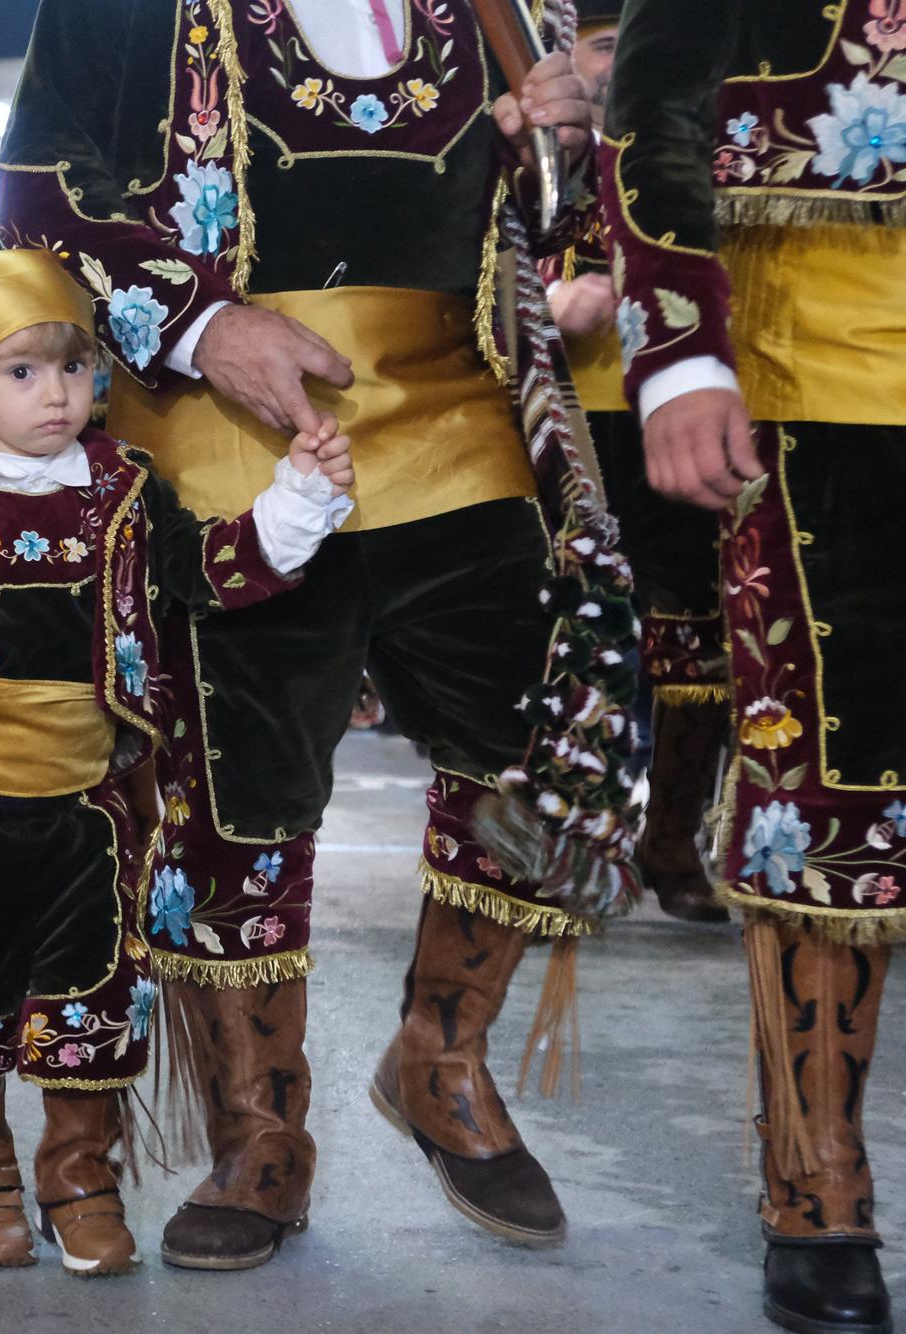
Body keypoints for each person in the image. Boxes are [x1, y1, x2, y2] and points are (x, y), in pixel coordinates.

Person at [1, 0, 609, 1269]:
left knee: (543, 744)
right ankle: (258, 1133)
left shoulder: (509, 8)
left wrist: (558, 147)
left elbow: (563, 224)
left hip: (457, 414)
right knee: (235, 794)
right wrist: (202, 324)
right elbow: (36, 185)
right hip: (225, 426)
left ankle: (439, 1054)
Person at [0, 248, 352, 1276]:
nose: (54, 394)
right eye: (19, 372)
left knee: (92, 996)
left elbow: (206, 573)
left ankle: (79, 1171)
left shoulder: (123, 490)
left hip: (91, 812)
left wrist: (294, 499)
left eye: (72, 368)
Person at [603, 2, 906, 1329]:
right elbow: (655, 104)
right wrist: (676, 352)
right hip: (824, 377)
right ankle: (817, 1174)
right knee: (825, 791)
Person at [546, 0, 728, 925]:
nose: (625, 64)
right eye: (609, 46)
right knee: (571, 635)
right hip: (569, 431)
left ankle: (673, 836)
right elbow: (471, 278)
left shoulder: (701, 136)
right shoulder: (538, 153)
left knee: (696, 631)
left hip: (688, 414)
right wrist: (551, 298)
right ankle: (570, 843)